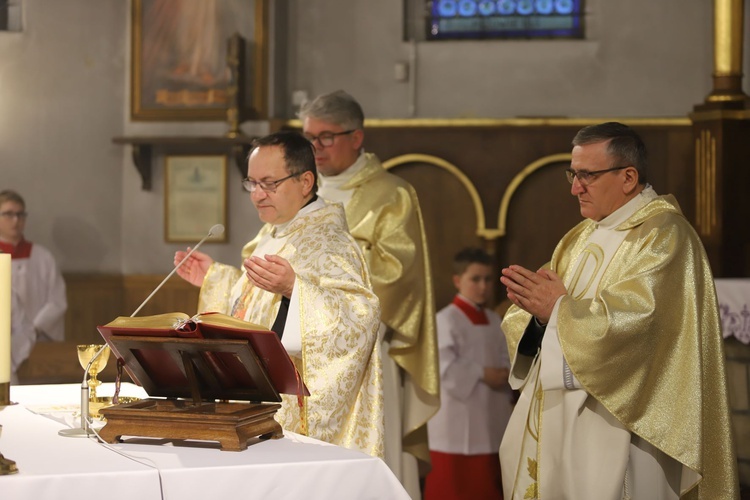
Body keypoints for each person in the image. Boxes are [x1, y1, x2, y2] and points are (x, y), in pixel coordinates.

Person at [499, 122, 738, 499]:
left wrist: (558, 310)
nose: (575, 187)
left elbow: (642, 330)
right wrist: (541, 313)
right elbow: (542, 310)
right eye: (573, 174)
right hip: (561, 421)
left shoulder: (664, 237)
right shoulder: (581, 236)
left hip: (620, 426)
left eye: (587, 175)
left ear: (628, 177)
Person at [173, 131, 384, 458]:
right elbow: (258, 309)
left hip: (289, 413)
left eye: (269, 183)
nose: (258, 195)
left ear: (305, 182)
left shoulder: (331, 243)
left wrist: (295, 289)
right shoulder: (273, 234)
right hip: (254, 403)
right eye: (252, 183)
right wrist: (217, 278)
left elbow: (360, 317)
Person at [299, 90, 439, 497]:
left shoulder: (391, 193)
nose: (315, 148)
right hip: (302, 343)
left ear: (356, 137)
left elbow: (396, 274)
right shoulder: (302, 191)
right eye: (308, 137)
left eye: (326, 137)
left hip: (364, 348)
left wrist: (316, 284)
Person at [424, 248, 512, 500]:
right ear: (457, 280)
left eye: (487, 279)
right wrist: (482, 373)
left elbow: (506, 354)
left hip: (491, 416)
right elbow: (443, 365)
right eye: (475, 279)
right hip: (455, 421)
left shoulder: (496, 320)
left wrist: (505, 371)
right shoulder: (445, 320)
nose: (483, 286)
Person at [0, 190, 67, 384]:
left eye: (20, 214)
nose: (16, 220)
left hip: (39, 340)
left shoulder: (42, 256)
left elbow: (57, 300)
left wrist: (32, 329)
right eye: (9, 214)